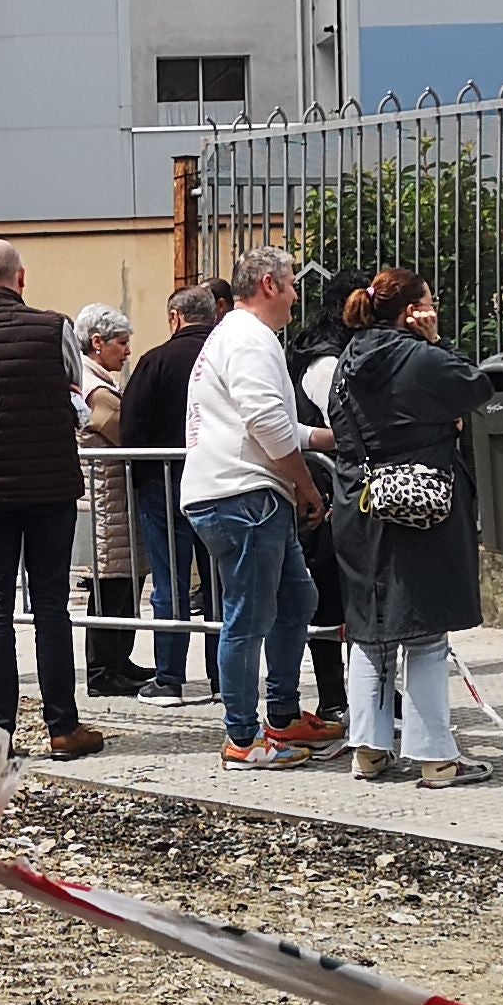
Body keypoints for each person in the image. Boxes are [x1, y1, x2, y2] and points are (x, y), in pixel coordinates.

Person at [323, 268, 498, 788]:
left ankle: (369, 751)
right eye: (431, 302)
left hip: (360, 500)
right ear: (412, 310)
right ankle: (436, 758)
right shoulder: (418, 356)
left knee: (370, 630)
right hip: (420, 499)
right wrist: (434, 342)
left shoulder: (346, 362)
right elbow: (475, 384)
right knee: (424, 631)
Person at [0, 243, 103, 761]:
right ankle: (62, 727)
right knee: (51, 606)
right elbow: (74, 393)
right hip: (48, 484)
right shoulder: (55, 328)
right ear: (22, 279)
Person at [178, 247, 333, 769]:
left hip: (238, 492)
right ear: (269, 285)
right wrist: (306, 484)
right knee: (248, 616)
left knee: (295, 600)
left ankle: (283, 716)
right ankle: (243, 738)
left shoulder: (234, 335)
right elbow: (266, 424)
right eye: (290, 285)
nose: (295, 297)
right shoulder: (251, 338)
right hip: (244, 496)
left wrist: (322, 438)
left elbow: (270, 422)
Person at [120, 284, 216, 704]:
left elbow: (131, 430)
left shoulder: (154, 361)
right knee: (219, 583)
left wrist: (142, 480)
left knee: (170, 582)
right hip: (220, 481)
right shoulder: (225, 357)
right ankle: (223, 677)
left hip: (164, 484)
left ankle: (170, 677)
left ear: (175, 318)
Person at [288, 290, 356, 730]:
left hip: (332, 494)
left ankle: (359, 691)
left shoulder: (324, 357)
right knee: (330, 601)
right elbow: (344, 427)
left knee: (343, 601)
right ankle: (333, 696)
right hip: (325, 497)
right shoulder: (326, 365)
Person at [75, 305, 143, 698]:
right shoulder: (94, 388)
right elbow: (127, 431)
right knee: (111, 584)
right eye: (121, 343)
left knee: (123, 582)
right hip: (106, 496)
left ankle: (119, 660)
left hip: (114, 494)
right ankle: (104, 669)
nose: (127, 351)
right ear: (97, 343)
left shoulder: (99, 380)